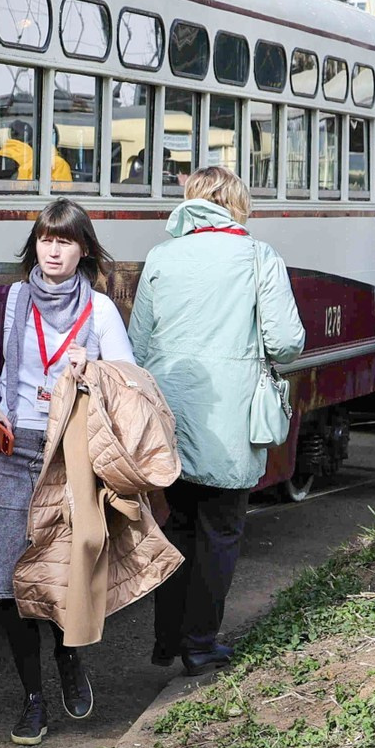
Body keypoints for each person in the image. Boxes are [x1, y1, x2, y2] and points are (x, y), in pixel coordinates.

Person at [0, 200, 134, 745]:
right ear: (34, 246)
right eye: (45, 240)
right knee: (8, 577)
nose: (53, 250)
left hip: (72, 450)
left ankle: (68, 658)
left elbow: (128, 380)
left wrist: (96, 371)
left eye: (64, 241)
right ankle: (32, 698)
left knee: (64, 570)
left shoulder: (100, 311)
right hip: (12, 446)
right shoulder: (12, 300)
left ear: (83, 248)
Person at [128, 167, 304, 674]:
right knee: (221, 531)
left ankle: (166, 640)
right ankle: (200, 643)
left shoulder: (163, 256)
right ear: (236, 203)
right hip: (230, 420)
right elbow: (287, 341)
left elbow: (137, 345)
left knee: (176, 525)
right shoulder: (257, 257)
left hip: (170, 416)